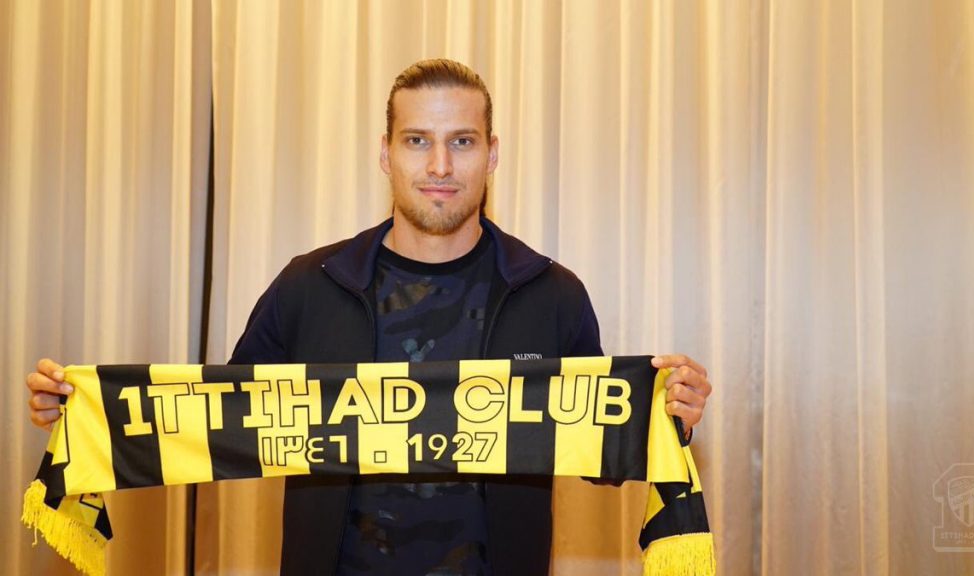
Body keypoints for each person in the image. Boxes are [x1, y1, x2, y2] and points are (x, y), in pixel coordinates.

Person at [26, 59, 712, 576]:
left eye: (462, 142)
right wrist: (85, 412)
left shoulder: (550, 293)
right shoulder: (309, 286)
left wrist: (665, 414)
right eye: (417, 140)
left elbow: (595, 446)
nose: (439, 165)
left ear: (492, 153)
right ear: (385, 152)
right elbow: (220, 421)